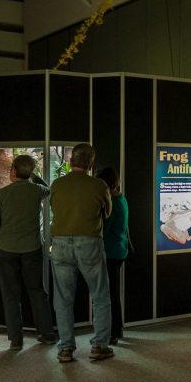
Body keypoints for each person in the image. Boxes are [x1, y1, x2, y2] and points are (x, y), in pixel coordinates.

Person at [49, 143, 113, 363]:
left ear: (70, 161)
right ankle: (99, 346)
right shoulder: (98, 185)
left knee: (63, 298)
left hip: (60, 244)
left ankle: (65, 348)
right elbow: (108, 211)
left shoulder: (57, 184)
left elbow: (54, 208)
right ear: (91, 164)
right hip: (90, 243)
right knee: (100, 296)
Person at [0, 154, 55, 351]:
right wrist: (34, 177)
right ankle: (47, 333)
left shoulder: (1, 194)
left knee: (10, 295)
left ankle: (16, 339)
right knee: (37, 291)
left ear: (12, 171)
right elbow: (49, 188)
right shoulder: (38, 190)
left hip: (6, 249)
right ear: (31, 172)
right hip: (32, 249)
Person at [97, 166, 129, 344]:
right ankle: (117, 329)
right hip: (119, 250)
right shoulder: (121, 198)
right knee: (113, 292)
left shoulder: (111, 203)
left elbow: (103, 229)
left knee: (109, 294)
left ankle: (113, 332)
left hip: (110, 252)